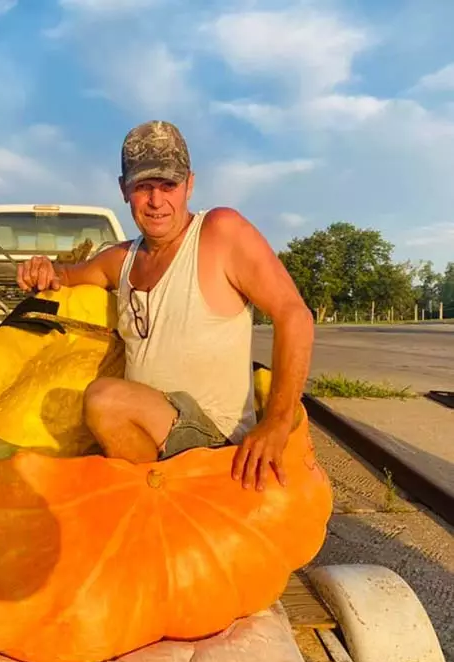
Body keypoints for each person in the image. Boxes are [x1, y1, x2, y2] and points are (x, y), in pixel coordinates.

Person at [17, 120, 314, 491]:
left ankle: (156, 506)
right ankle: (149, 505)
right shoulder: (122, 258)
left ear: (189, 184)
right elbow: (65, 277)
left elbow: (294, 315)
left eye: (168, 185)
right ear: (124, 190)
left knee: (105, 399)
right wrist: (42, 268)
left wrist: (277, 422)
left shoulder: (220, 232)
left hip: (215, 439)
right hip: (151, 433)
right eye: (143, 187)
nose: (157, 201)